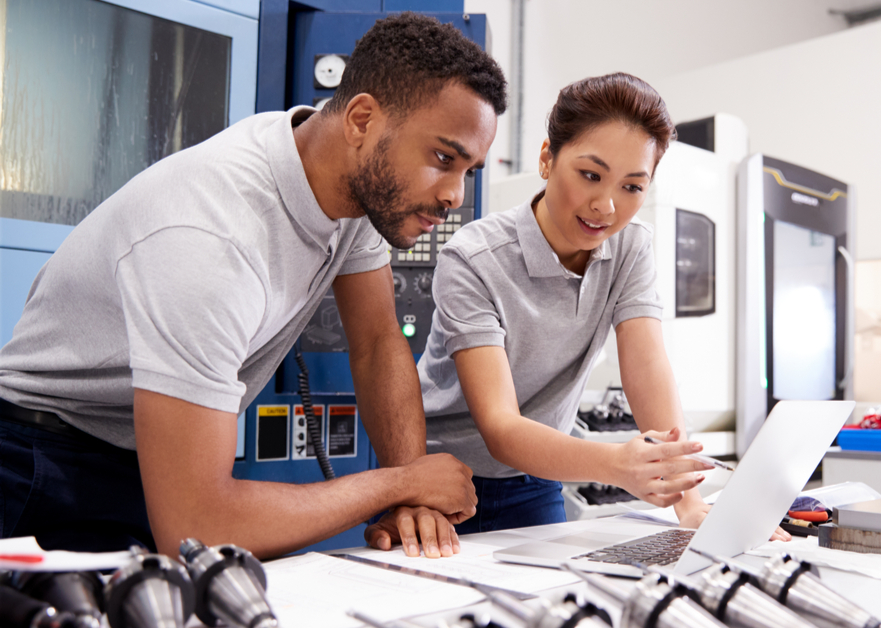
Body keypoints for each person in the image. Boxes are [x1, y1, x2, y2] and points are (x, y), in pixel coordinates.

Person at [0, 13, 505, 559]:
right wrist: (400, 485)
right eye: (442, 158)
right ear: (362, 120)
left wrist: (413, 498)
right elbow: (197, 526)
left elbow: (378, 341)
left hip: (137, 458)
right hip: (40, 467)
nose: (455, 194)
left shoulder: (350, 189)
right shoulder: (211, 237)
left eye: (469, 170)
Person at [401, 72, 790, 541]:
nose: (606, 206)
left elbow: (646, 367)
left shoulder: (629, 248)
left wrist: (689, 503)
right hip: (445, 482)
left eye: (632, 187)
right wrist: (616, 464)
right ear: (547, 159)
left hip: (537, 480)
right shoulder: (474, 257)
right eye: (590, 175)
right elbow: (500, 426)